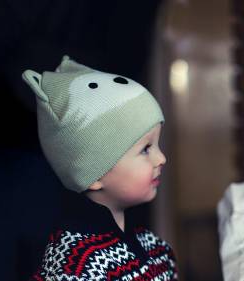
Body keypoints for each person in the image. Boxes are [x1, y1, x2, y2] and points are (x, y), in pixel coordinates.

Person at [22, 56, 178, 280]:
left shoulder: (156, 249)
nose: (161, 158)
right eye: (145, 149)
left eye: (157, 145)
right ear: (93, 174)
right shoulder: (73, 268)